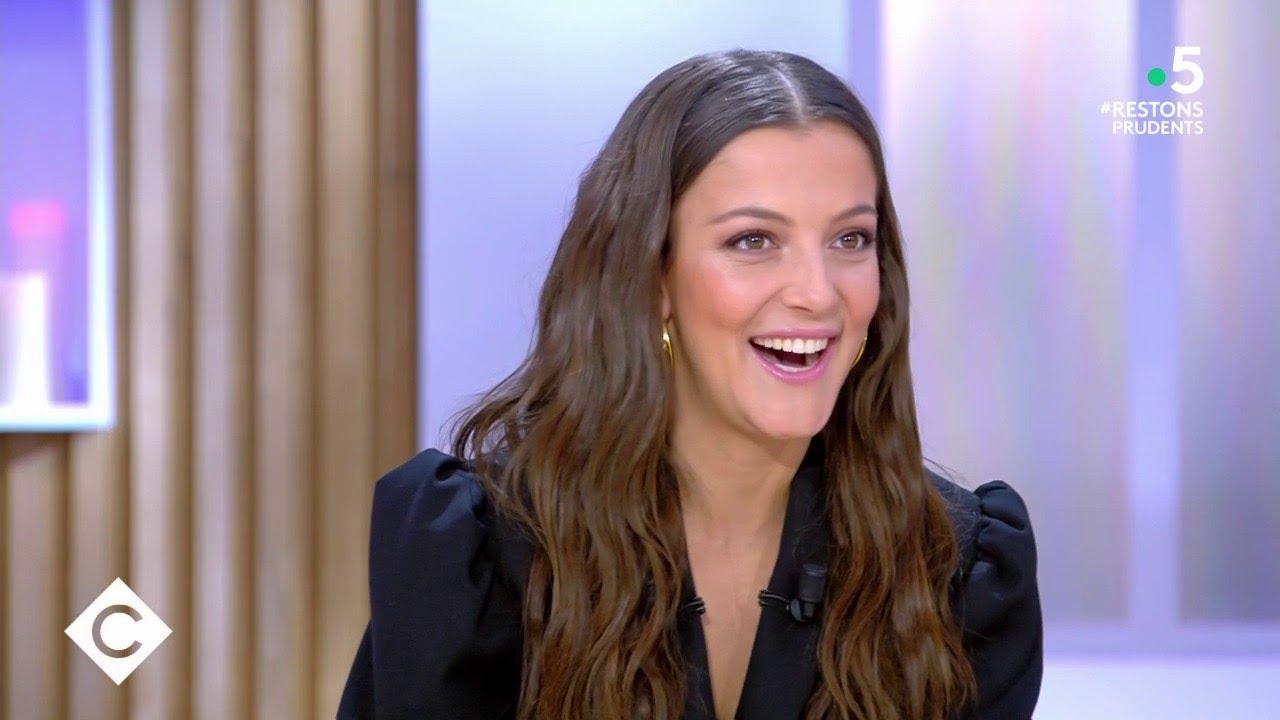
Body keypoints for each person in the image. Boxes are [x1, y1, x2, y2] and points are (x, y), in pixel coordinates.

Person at [337, 49, 1042, 720]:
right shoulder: (484, 558)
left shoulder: (958, 571)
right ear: (653, 276)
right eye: (754, 241)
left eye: (850, 239)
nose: (818, 292)